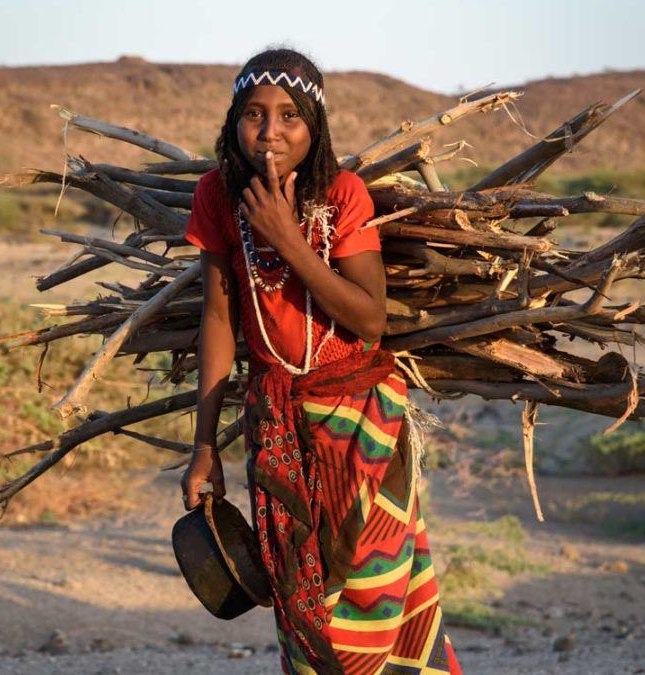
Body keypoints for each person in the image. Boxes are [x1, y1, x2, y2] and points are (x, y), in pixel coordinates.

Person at [180, 47, 462, 675]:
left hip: (365, 424)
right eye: (253, 114)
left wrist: (287, 237)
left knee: (374, 598)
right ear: (234, 121)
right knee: (299, 595)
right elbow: (219, 320)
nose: (270, 132)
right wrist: (203, 447)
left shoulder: (342, 194)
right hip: (279, 428)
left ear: (315, 126)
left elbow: (369, 319)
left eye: (290, 116)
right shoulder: (217, 197)